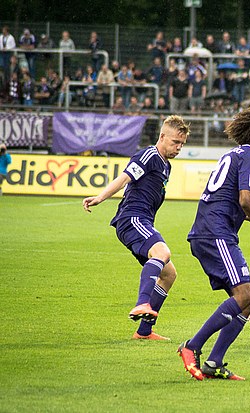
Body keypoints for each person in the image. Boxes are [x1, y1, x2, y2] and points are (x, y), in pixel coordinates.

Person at [178, 106, 250, 381]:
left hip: (211, 231)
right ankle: (192, 346)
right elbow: (246, 200)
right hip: (216, 234)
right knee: (245, 296)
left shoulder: (233, 154)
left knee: (247, 301)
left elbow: (227, 199)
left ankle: (214, 363)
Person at [82, 116, 190, 340]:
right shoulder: (149, 155)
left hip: (143, 221)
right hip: (132, 219)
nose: (179, 147)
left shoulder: (166, 165)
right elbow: (125, 178)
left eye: (182, 144)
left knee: (169, 274)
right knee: (162, 252)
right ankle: (142, 303)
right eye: (175, 142)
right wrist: (100, 197)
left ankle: (144, 332)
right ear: (162, 137)